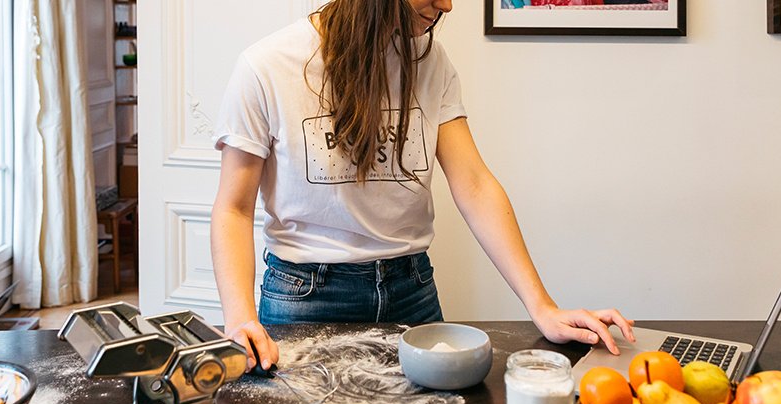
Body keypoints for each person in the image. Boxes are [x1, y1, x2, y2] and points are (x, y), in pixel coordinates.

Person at [211, 0, 634, 372]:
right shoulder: (266, 67)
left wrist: (542, 307)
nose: (447, 6)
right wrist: (240, 316)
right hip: (304, 298)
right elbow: (234, 207)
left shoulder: (429, 62)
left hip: (411, 290)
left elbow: (473, 183)